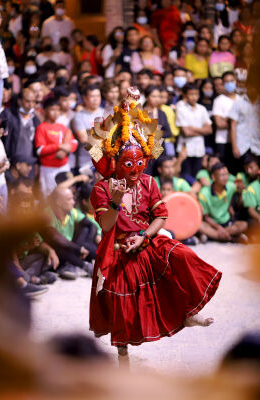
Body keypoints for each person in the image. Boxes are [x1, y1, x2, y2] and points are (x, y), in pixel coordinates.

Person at [87, 87, 221, 364]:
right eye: (128, 163)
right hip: (117, 246)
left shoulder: (148, 182)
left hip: (146, 239)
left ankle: (187, 312)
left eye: (140, 162)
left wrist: (145, 238)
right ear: (115, 162)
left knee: (183, 255)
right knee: (121, 303)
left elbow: (161, 216)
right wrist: (114, 201)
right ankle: (122, 352)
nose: (136, 169)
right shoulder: (101, 188)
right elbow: (106, 224)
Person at [44, 186, 94, 279]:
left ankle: (72, 264)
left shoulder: (72, 212)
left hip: (70, 249)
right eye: (69, 199)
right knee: (60, 246)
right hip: (53, 252)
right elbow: (56, 238)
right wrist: (78, 249)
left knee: (84, 228)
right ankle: (84, 265)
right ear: (58, 202)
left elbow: (91, 225)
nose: (73, 202)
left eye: (73, 199)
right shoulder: (47, 214)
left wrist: (87, 243)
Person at [35, 97, 78, 196]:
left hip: (64, 167)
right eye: (52, 110)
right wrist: (59, 146)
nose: (56, 113)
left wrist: (68, 148)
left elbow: (74, 142)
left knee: (66, 195)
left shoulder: (62, 127)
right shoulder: (42, 127)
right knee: (49, 197)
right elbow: (40, 151)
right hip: (48, 169)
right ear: (45, 111)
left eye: (58, 110)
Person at [198, 162, 248, 242]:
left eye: (227, 174)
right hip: (212, 224)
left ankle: (217, 236)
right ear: (213, 177)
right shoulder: (204, 193)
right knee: (199, 225)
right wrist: (218, 227)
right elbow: (206, 217)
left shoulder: (230, 186)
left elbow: (239, 187)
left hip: (227, 223)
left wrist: (241, 190)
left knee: (244, 224)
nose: (225, 178)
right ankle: (231, 238)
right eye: (222, 175)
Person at [176, 83, 212, 178]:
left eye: (196, 94)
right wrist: (202, 130)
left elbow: (209, 130)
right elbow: (186, 132)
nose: (194, 97)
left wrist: (192, 128)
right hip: (185, 150)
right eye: (191, 94)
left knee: (197, 176)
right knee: (185, 177)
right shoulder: (181, 108)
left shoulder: (202, 108)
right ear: (185, 95)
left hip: (199, 149)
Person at [71, 84, 104, 174]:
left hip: (105, 161)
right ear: (85, 98)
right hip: (87, 163)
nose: (96, 99)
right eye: (92, 96)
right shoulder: (79, 116)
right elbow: (84, 139)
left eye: (98, 96)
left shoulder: (105, 113)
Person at [3, 88, 40, 159]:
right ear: (19, 101)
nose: (31, 105)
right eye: (27, 101)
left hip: (28, 162)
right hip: (11, 161)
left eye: (33, 101)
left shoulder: (35, 120)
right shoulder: (8, 115)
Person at [229, 85, 260, 171]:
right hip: (242, 145)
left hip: (257, 144)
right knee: (244, 173)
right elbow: (233, 125)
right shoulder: (238, 102)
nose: (253, 88)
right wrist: (234, 146)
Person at [212, 71, 240, 167]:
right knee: (224, 168)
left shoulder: (241, 100)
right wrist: (235, 123)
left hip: (239, 141)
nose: (229, 84)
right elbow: (219, 123)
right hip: (223, 141)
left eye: (231, 81)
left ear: (236, 81)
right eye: (226, 82)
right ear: (223, 84)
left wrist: (227, 119)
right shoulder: (218, 100)